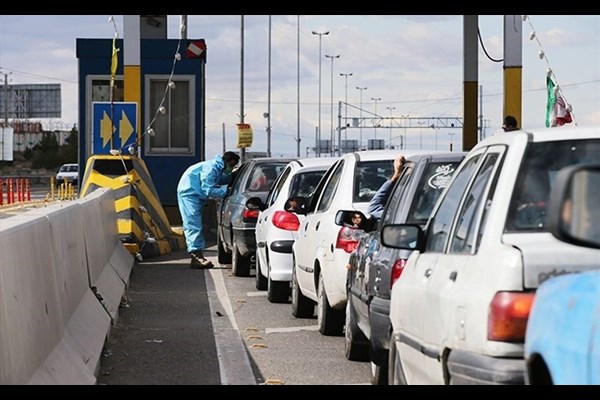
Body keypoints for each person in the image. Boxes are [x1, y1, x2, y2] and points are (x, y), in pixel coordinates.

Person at [177, 151, 240, 269]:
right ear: (227, 162)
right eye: (231, 166)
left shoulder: (216, 167)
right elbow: (208, 190)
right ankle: (196, 255)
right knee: (193, 224)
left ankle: (197, 255)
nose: (230, 168)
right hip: (189, 194)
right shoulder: (211, 168)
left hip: (195, 194)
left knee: (195, 223)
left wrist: (231, 177)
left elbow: (219, 179)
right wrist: (227, 192)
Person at [367, 154, 406, 220]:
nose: (369, 174)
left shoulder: (403, 215)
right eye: (367, 172)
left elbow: (373, 208)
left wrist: (395, 175)